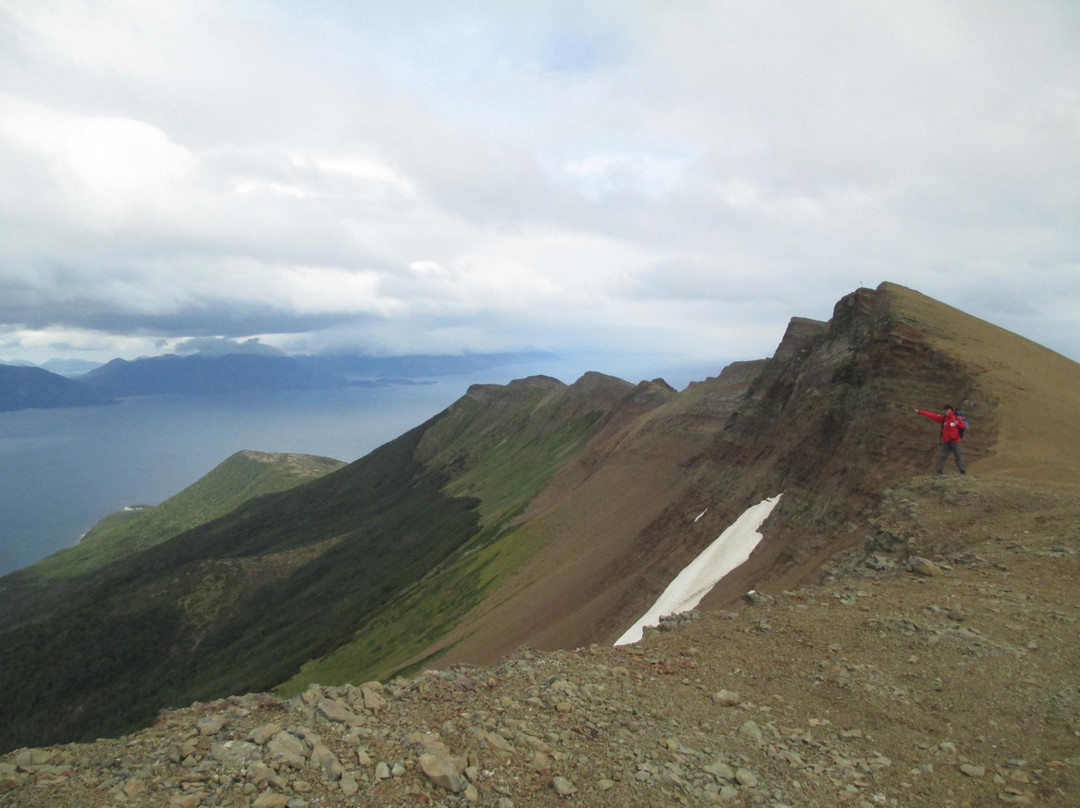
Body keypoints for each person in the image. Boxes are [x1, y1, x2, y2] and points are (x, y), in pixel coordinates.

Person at [915, 405, 967, 474]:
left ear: (951, 410)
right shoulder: (943, 418)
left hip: (955, 441)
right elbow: (932, 415)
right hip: (946, 442)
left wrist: (958, 424)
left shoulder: (957, 418)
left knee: (958, 457)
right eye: (945, 411)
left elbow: (963, 426)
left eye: (947, 410)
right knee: (942, 456)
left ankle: (962, 471)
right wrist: (920, 412)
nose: (946, 412)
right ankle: (939, 471)